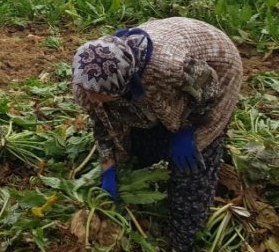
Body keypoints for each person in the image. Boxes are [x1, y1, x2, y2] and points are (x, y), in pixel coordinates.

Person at [71, 17, 242, 252]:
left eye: (97, 93)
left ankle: (182, 238)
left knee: (192, 164)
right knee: (137, 145)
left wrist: (189, 130)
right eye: (87, 91)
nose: (89, 97)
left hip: (217, 69)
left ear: (123, 86)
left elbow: (209, 88)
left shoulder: (167, 68)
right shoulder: (88, 80)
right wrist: (108, 168)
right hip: (165, 73)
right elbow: (103, 123)